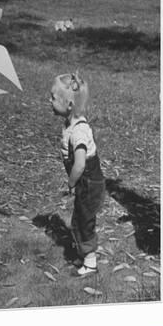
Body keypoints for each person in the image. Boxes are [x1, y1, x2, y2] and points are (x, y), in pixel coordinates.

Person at [49, 72, 105, 276]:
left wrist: (71, 183)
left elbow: (80, 164)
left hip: (89, 183)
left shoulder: (78, 132)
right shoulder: (71, 124)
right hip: (87, 183)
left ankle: (90, 263)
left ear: (69, 104)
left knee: (83, 221)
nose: (50, 100)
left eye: (53, 98)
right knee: (79, 219)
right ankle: (84, 254)